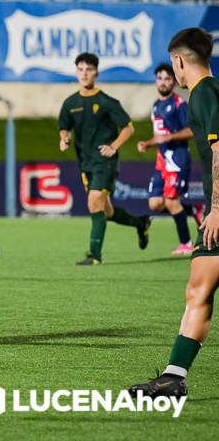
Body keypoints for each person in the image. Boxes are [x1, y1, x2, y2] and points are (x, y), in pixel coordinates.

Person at [129, 28, 219, 398]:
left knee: (199, 289)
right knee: (198, 289)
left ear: (179, 61)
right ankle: (173, 377)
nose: (174, 73)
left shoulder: (203, 95)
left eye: (173, 65)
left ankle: (173, 377)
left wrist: (216, 209)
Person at [58, 52, 150, 265]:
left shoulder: (106, 102)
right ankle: (140, 223)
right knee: (106, 211)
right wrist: (64, 139)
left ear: (96, 73)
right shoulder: (70, 102)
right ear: (76, 73)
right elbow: (64, 127)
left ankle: (95, 255)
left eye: (88, 69)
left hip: (105, 162)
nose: (84, 73)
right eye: (80, 69)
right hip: (86, 164)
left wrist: (114, 146)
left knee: (94, 201)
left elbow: (128, 127)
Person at [136, 63, 197, 255]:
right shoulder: (156, 105)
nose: (163, 82)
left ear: (174, 82)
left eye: (167, 79)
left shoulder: (180, 104)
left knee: (171, 201)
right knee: (154, 203)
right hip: (161, 160)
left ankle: (186, 243)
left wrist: (170, 137)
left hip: (177, 160)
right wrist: (148, 143)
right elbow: (160, 133)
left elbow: (191, 130)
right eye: (160, 78)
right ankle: (192, 209)